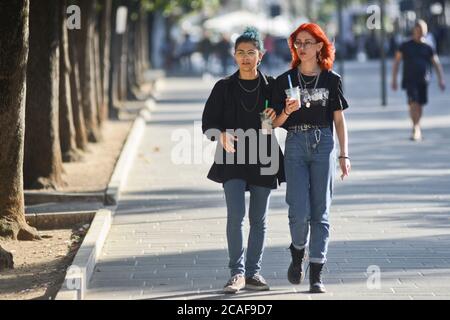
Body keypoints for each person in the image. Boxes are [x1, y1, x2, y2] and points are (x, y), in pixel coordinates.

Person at [202, 27, 285, 294]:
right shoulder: (223, 87)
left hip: (264, 156)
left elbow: (277, 123)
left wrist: (276, 116)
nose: (245, 57)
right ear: (234, 56)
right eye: (241, 53)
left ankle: (253, 273)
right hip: (232, 157)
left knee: (258, 219)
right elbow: (208, 125)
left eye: (251, 53)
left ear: (260, 55)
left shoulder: (271, 86)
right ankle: (236, 274)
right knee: (235, 215)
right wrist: (221, 134)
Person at [271, 23, 351, 294]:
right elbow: (267, 124)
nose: (301, 47)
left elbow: (339, 120)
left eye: (307, 42)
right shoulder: (284, 81)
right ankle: (297, 252)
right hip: (294, 143)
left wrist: (344, 154)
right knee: (298, 211)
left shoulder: (332, 79)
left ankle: (316, 272)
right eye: (297, 43)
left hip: (324, 143)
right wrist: (285, 111)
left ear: (320, 46)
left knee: (321, 212)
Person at [392, 19, 446, 141]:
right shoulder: (405, 46)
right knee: (413, 103)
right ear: (414, 31)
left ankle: (417, 125)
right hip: (409, 79)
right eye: (418, 30)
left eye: (422, 31)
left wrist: (441, 79)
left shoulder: (428, 47)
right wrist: (394, 79)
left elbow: (436, 63)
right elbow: (396, 62)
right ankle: (415, 128)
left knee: (419, 105)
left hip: (423, 80)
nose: (420, 33)